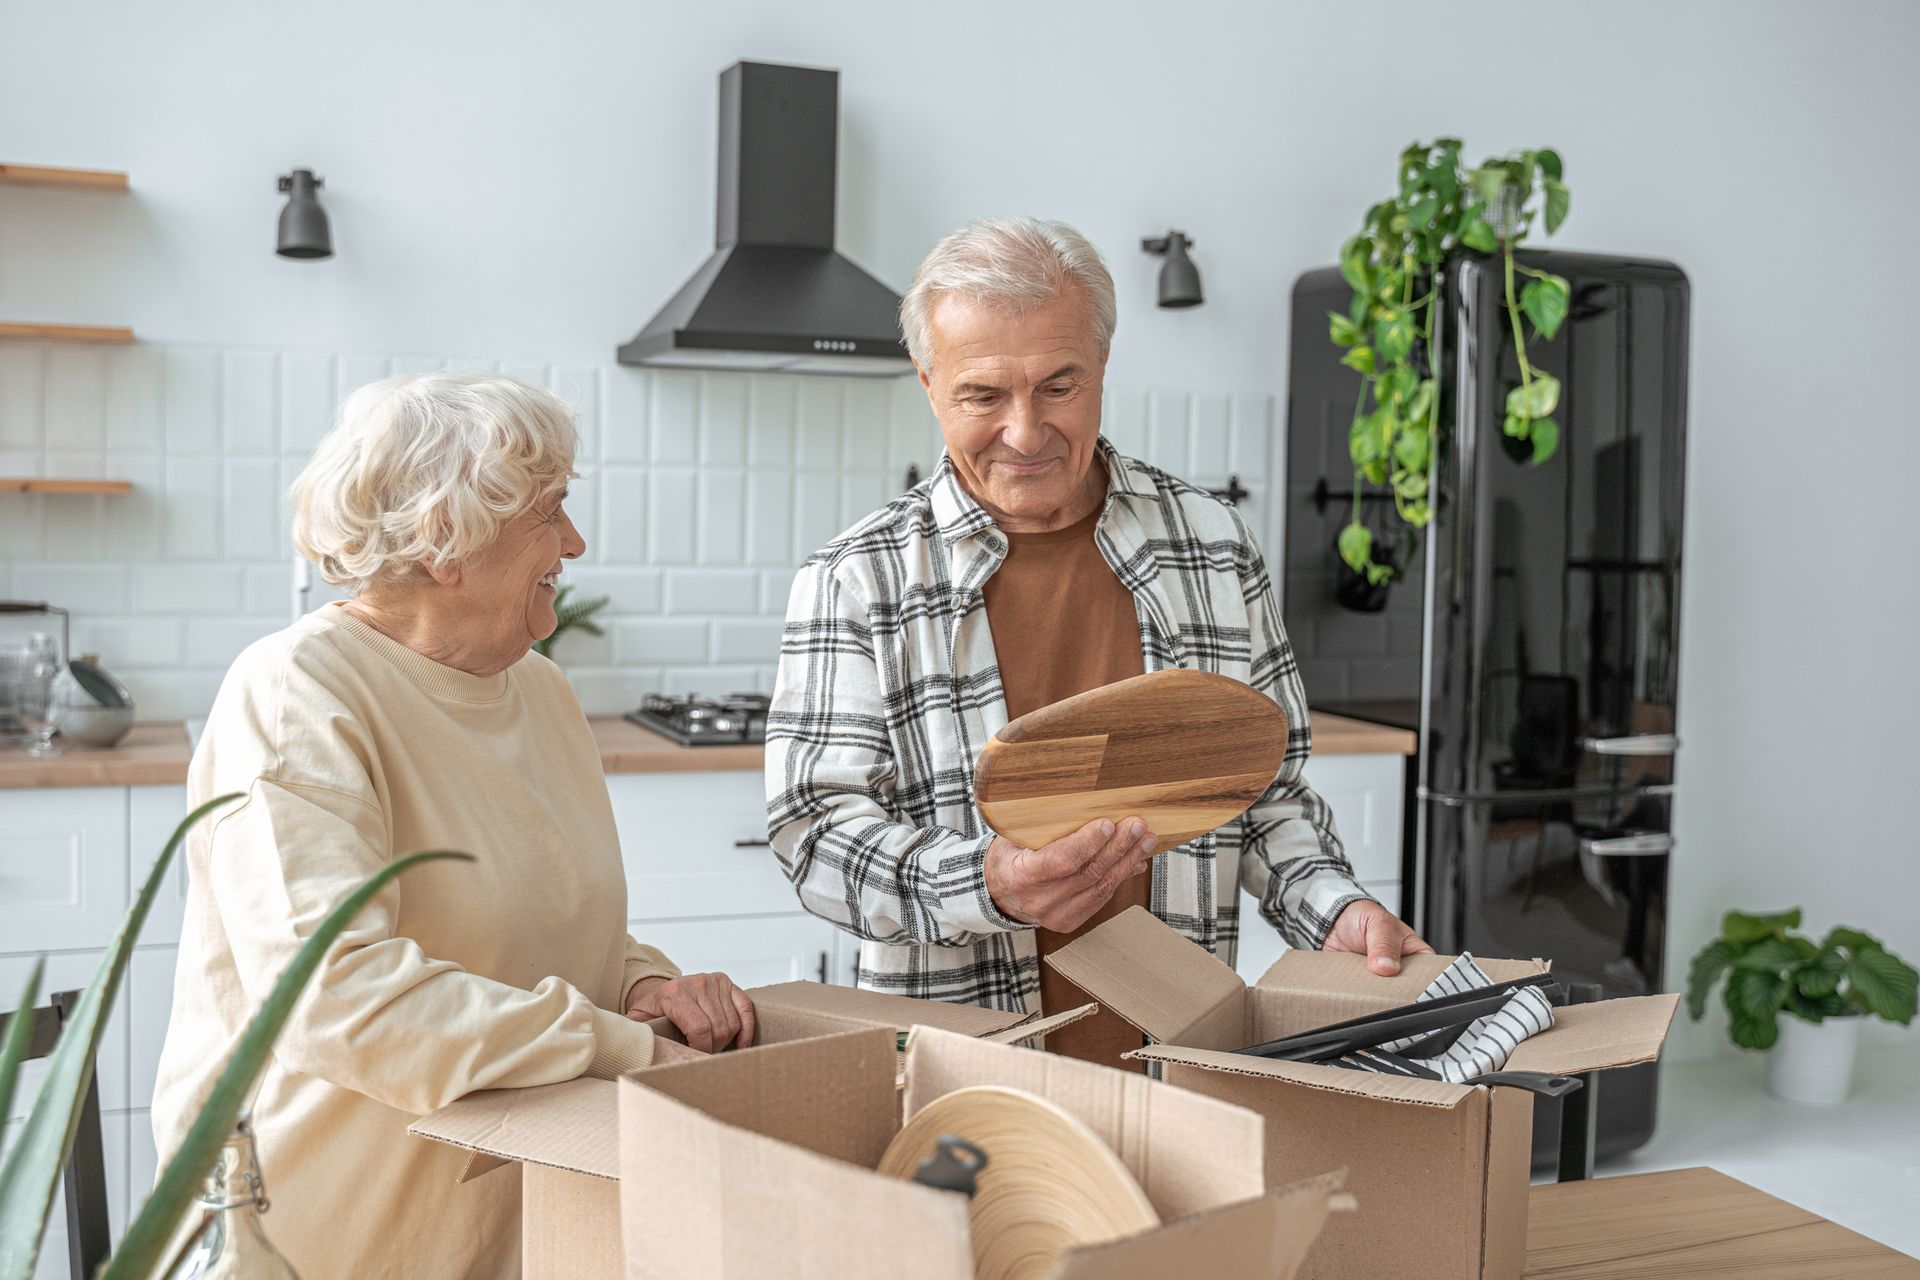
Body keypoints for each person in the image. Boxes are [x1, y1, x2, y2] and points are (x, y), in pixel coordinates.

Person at [766, 217, 1430, 1068]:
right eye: (982, 395)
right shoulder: (858, 579)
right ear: (928, 382)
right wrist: (991, 883)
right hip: (963, 1075)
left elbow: (1266, 793)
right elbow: (815, 834)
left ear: (1103, 367)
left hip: (1182, 1060)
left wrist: (1334, 908)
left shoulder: (1212, 544)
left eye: (1059, 385)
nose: (1025, 431)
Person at [151, 374, 754, 1279]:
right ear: (444, 541)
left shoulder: (541, 690)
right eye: (549, 513)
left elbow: (547, 914)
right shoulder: (297, 697)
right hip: (319, 1238)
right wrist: (618, 1043)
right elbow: (341, 1003)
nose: (575, 542)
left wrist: (643, 988)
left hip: (515, 1213)